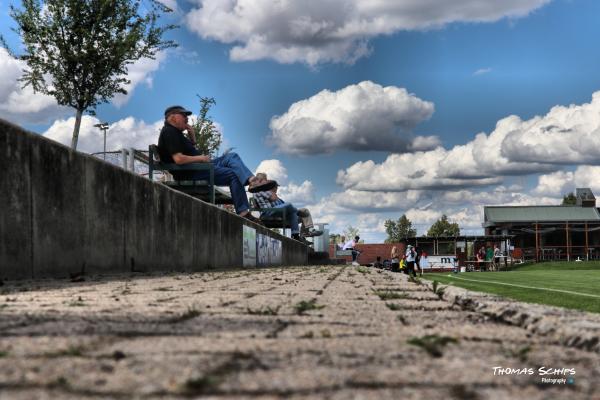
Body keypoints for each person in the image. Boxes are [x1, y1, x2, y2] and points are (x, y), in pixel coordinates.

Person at [157, 105, 261, 222]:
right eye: (184, 115)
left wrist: (193, 138)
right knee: (232, 174)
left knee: (232, 156)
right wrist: (201, 158)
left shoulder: (176, 133)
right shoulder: (169, 132)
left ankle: (252, 181)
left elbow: (189, 152)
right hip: (192, 172)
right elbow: (179, 159)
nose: (186, 119)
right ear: (172, 117)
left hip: (198, 168)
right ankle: (243, 212)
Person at [251, 173, 323, 238]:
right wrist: (270, 187)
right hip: (268, 213)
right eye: (265, 180)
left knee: (303, 211)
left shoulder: (265, 191)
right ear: (260, 180)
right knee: (290, 205)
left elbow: (278, 202)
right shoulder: (259, 190)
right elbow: (273, 198)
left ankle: (301, 234)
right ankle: (298, 212)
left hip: (278, 212)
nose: (276, 188)